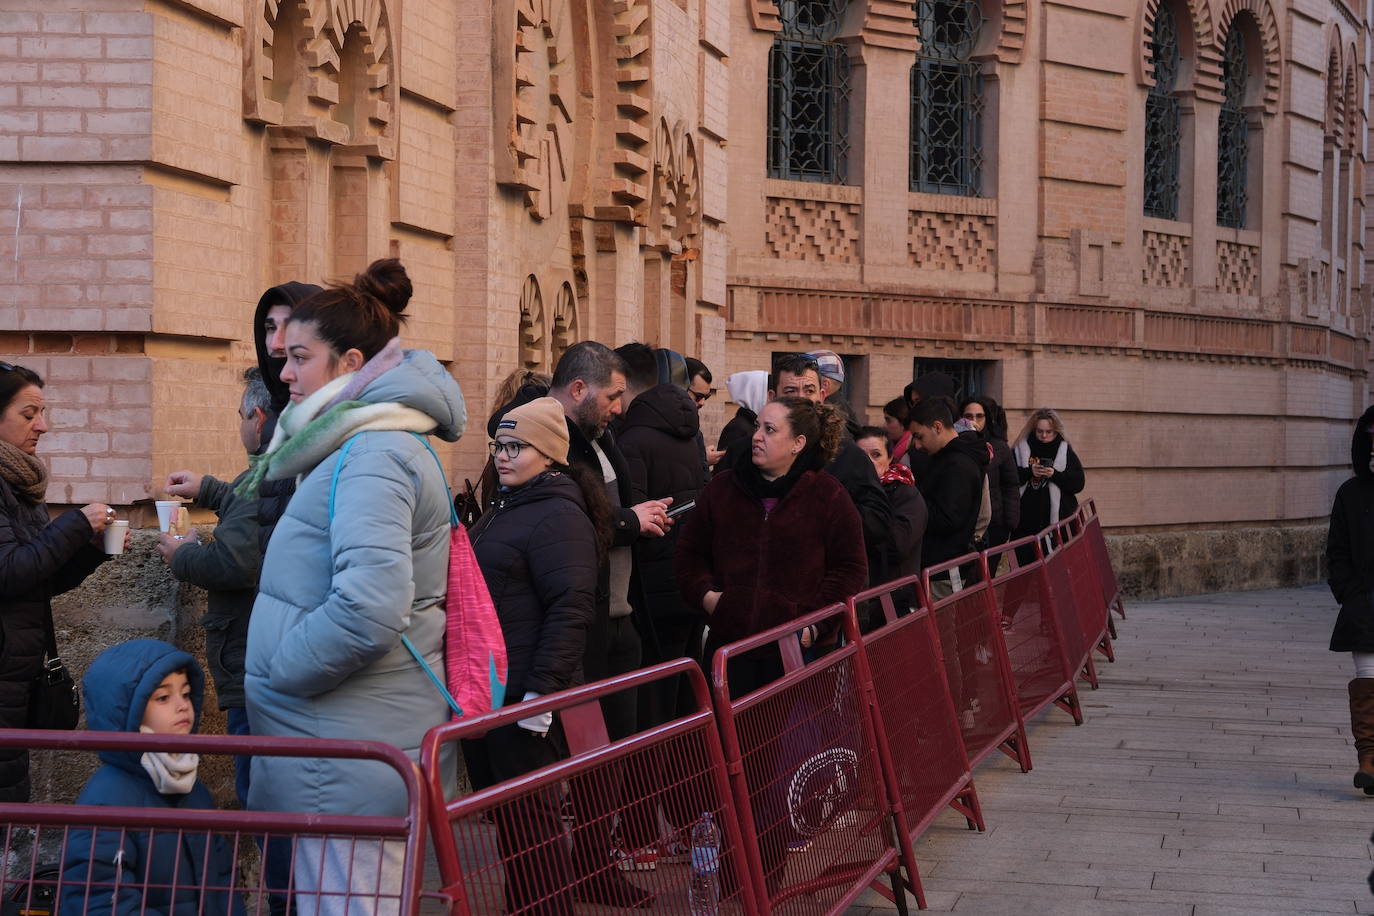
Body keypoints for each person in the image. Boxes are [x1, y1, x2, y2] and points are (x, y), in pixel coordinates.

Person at [240, 258, 467, 914]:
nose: (284, 374)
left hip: (346, 755)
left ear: (350, 363)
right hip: (343, 752)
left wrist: (282, 670)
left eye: (300, 358)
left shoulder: (374, 453)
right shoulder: (359, 441)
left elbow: (369, 608)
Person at [676, 397, 866, 891]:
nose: (756, 436)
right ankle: (732, 874)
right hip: (729, 656)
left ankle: (766, 876)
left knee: (780, 771)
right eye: (757, 426)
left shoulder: (827, 495)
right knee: (733, 765)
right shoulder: (722, 491)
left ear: (798, 443)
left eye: (768, 429)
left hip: (794, 658)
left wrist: (814, 624)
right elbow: (688, 557)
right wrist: (711, 598)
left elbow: (850, 571)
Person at [465, 397, 605, 916]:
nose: (503, 456)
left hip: (525, 694)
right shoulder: (510, 503)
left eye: (516, 446)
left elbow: (571, 609)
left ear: (548, 454)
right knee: (514, 824)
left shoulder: (557, 516)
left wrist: (540, 695)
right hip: (494, 688)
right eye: (499, 445)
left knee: (533, 827)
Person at [0, 362, 119, 803]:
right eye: (28, 414)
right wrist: (72, 526)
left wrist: (93, 547)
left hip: (15, 677)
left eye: (42, 413)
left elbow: (36, 582)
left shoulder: (18, 480)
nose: (42, 426)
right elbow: (9, 571)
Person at [60, 639, 245, 916]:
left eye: (185, 693)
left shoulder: (194, 790)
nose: (182, 706)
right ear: (126, 712)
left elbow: (223, 880)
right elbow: (100, 900)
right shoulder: (106, 802)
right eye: (163, 697)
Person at [157, 368, 272, 807]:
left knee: (257, 792)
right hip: (258, 658)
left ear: (257, 418)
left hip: (249, 663)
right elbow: (249, 508)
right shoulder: (275, 470)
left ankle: (275, 877)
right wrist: (209, 489)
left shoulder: (268, 475)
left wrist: (183, 554)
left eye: (241, 415)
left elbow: (234, 561)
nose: (240, 423)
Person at [1327, 406, 1374, 795]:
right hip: (1364, 606)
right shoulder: (1351, 493)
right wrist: (1350, 594)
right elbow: (1337, 553)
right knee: (1367, 679)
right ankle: (1368, 760)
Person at [909, 397, 987, 599]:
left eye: (919, 436)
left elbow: (948, 518)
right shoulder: (947, 457)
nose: (917, 445)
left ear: (937, 427)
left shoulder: (957, 464)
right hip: (939, 568)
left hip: (943, 571)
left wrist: (911, 501)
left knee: (943, 630)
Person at [855, 426, 927, 592]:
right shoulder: (844, 491)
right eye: (860, 456)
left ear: (890, 458)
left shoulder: (905, 494)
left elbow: (896, 546)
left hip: (894, 597)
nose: (868, 461)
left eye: (876, 455)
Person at [1011, 408, 1086, 550]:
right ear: (1033, 430)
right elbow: (1009, 478)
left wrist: (1054, 474)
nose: (1044, 436)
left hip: (1058, 524)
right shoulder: (1021, 448)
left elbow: (1078, 482)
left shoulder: (1064, 450)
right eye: (1039, 431)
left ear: (1056, 431)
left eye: (1049, 432)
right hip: (1025, 525)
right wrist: (1030, 472)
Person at [961, 395, 1019, 547]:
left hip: (995, 522)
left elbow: (1011, 484)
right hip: (964, 521)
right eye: (968, 416)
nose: (974, 420)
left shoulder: (999, 446)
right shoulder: (955, 444)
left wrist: (1010, 522)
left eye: (979, 416)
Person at [716, 370, 768, 464]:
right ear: (755, 394)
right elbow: (726, 466)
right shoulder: (737, 428)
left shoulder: (754, 423)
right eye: (768, 393)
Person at [883, 397, 914, 469]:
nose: (884, 425)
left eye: (888, 420)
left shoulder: (911, 451)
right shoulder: (896, 447)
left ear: (903, 421)